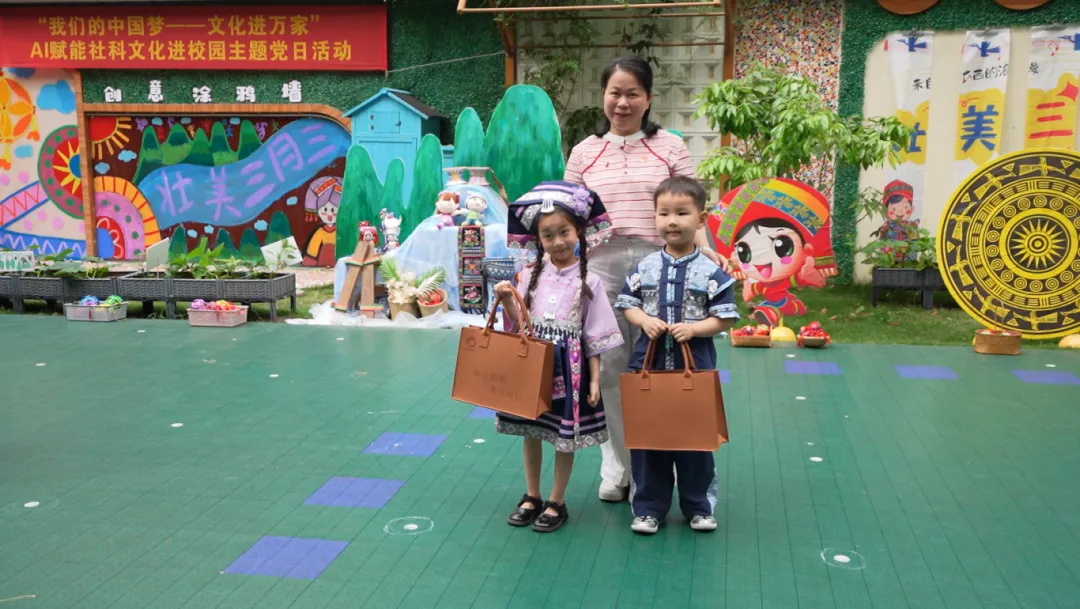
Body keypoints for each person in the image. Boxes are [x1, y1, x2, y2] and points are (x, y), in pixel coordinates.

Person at [564, 55, 732, 503]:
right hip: (600, 266)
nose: (622, 102)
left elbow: (691, 204)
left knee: (659, 368)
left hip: (659, 267)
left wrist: (705, 250)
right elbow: (571, 216)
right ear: (603, 96)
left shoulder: (669, 147)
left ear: (648, 98)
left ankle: (657, 472)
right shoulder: (584, 152)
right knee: (609, 369)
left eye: (632, 93)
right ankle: (620, 468)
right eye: (614, 93)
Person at [493, 181, 624, 533]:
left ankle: (556, 499)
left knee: (563, 436)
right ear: (539, 240)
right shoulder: (528, 275)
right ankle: (532, 494)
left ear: (578, 231)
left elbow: (594, 335)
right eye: (548, 236)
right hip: (534, 365)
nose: (558, 242)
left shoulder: (590, 282)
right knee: (532, 431)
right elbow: (518, 324)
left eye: (564, 232)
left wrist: (594, 380)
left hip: (570, 369)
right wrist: (506, 298)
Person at [615, 176, 739, 534]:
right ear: (654, 217)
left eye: (682, 213)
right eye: (664, 213)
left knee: (695, 438)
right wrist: (644, 321)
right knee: (648, 438)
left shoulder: (712, 271)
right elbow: (629, 305)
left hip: (694, 368)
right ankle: (648, 508)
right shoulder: (644, 267)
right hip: (648, 366)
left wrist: (695, 329)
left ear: (701, 219)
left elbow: (725, 317)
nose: (672, 221)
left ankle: (698, 506)